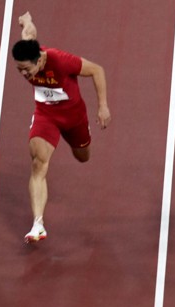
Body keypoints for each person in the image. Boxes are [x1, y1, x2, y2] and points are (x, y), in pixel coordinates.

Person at [11, 12, 110, 243]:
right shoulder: (29, 49)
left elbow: (97, 70)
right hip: (46, 115)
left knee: (83, 156)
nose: (23, 74)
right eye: (19, 70)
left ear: (39, 60)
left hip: (74, 118)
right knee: (38, 162)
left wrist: (102, 106)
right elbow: (29, 33)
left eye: (26, 69)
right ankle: (38, 224)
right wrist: (26, 21)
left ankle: (81, 139)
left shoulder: (60, 60)